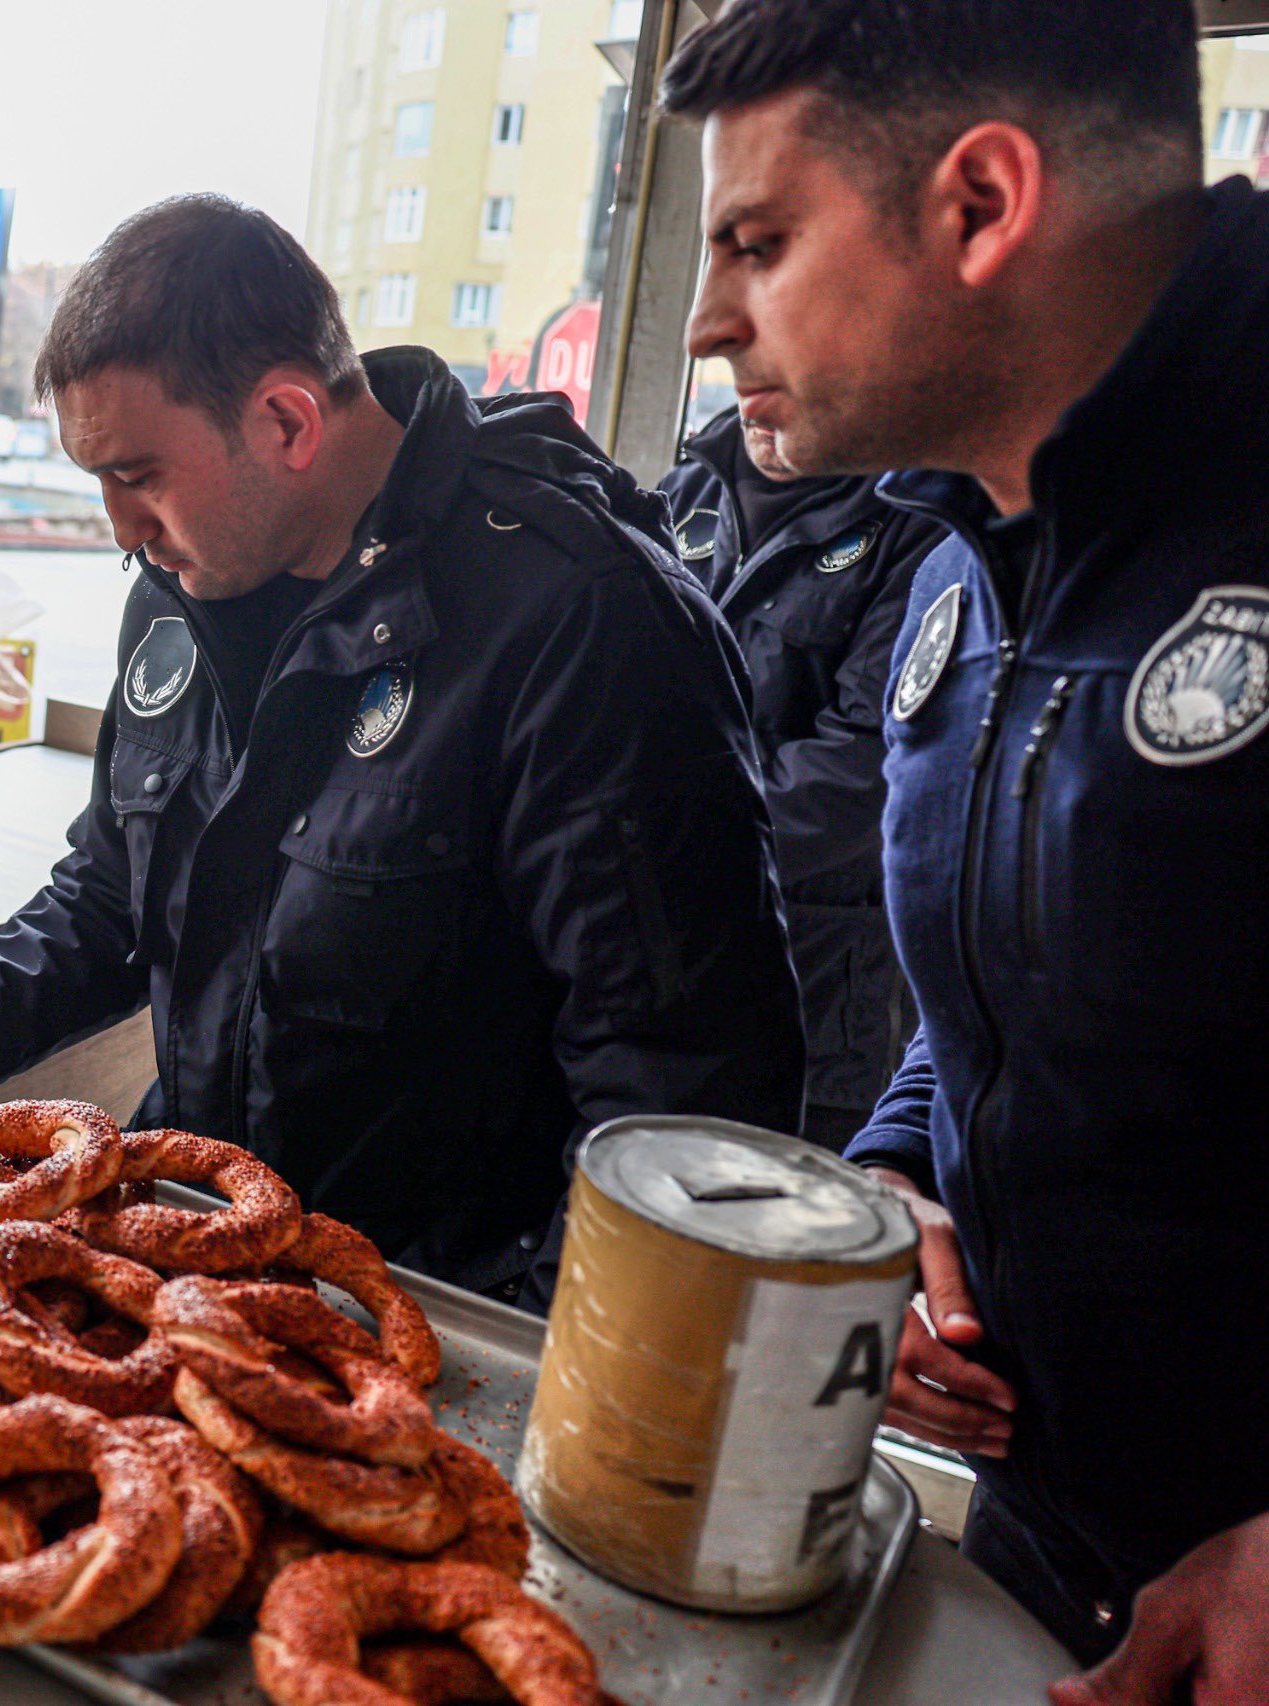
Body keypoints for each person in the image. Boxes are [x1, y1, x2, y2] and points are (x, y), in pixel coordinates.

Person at [0, 196, 802, 1310]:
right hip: (198, 1243)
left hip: (431, 1299)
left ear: (285, 421)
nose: (119, 528)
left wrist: (530, 1371)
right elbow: (116, 890)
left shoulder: (576, 619)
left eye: (135, 474)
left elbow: (681, 1096)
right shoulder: (182, 588)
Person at [664, 1, 1269, 1696]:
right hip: (1051, 1542)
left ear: (982, 202)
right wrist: (904, 1173)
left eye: (758, 244)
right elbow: (1010, 979)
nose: (710, 321)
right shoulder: (956, 551)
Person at [658, 407, 942, 1149]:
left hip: (819, 991)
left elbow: (865, 767)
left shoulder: (921, 522)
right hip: (659, 969)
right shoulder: (689, 486)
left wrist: (655, 826)